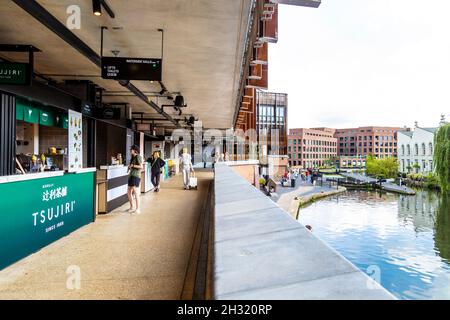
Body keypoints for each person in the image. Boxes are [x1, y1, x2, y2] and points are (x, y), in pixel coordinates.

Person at [127, 145, 143, 214]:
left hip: (136, 176)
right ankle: (131, 207)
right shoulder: (133, 158)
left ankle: (138, 209)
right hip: (131, 176)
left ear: (135, 150)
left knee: (136, 192)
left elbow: (141, 166)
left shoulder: (138, 156)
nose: (130, 151)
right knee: (129, 191)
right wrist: (130, 167)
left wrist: (133, 165)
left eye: (132, 149)